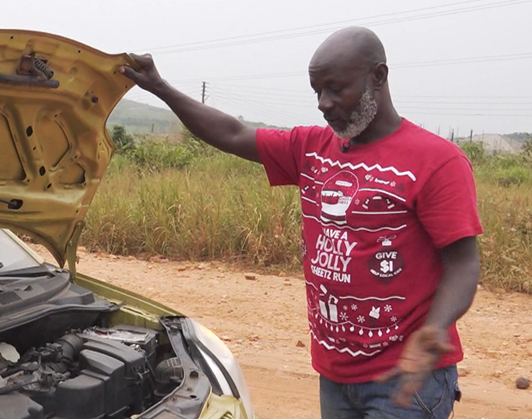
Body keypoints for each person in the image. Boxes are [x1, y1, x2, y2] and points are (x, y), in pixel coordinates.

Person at [119, 27, 482, 419]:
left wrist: (438, 327)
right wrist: (160, 88)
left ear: (378, 77)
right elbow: (232, 132)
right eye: (316, 91)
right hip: (335, 374)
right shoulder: (311, 148)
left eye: (335, 88)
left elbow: (463, 261)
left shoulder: (436, 161)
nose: (324, 104)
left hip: (406, 378)